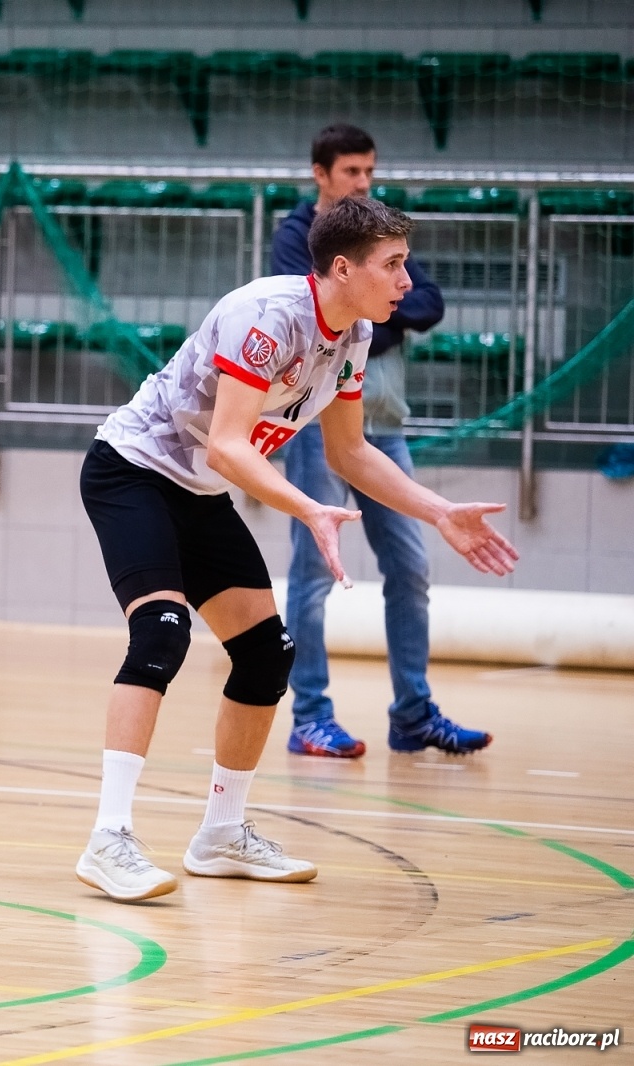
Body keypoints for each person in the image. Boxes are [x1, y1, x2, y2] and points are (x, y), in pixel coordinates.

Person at [74, 197, 518, 903]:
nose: (407, 281)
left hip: (197, 490)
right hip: (132, 471)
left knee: (266, 652)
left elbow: (350, 452)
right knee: (161, 634)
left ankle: (221, 835)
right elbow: (225, 444)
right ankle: (109, 839)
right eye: (394, 264)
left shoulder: (357, 333)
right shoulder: (269, 315)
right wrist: (309, 509)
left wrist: (439, 512)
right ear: (342, 268)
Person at [272, 124, 488, 759]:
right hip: (319, 432)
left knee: (411, 568)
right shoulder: (297, 238)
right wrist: (374, 315)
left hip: (384, 429)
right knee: (312, 576)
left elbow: (426, 302)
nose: (363, 182)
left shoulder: (375, 237)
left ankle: (414, 713)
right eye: (351, 172)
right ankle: (310, 716)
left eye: (369, 170)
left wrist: (374, 312)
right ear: (320, 174)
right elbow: (327, 318)